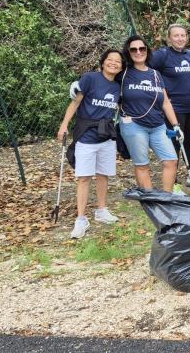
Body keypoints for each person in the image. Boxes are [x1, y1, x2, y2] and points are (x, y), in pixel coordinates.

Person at [57, 49, 123, 239]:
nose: (113, 63)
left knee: (103, 175)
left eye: (118, 62)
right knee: (84, 177)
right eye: (110, 60)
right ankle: (81, 219)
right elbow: (75, 103)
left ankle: (101, 210)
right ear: (103, 63)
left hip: (107, 136)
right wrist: (63, 126)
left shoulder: (118, 86)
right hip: (86, 135)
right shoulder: (89, 78)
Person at [118, 36, 181, 195]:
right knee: (142, 164)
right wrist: (81, 85)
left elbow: (165, 102)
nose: (138, 52)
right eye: (134, 49)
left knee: (171, 160)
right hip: (133, 125)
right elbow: (104, 79)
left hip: (158, 126)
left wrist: (176, 125)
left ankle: (166, 197)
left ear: (147, 50)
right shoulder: (123, 73)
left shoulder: (155, 74)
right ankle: (150, 198)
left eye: (142, 48)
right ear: (128, 52)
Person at [149, 24, 190, 193]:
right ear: (169, 38)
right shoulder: (162, 55)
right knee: (174, 144)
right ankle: (173, 183)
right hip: (173, 108)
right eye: (176, 36)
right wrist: (159, 88)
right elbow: (146, 69)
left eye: (183, 35)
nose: (180, 38)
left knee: (188, 142)